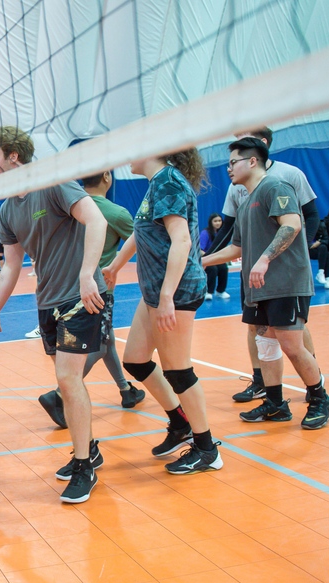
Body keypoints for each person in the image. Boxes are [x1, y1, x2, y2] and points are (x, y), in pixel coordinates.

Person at [0, 126, 109, 504]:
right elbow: (10, 267)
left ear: (13, 156)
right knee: (66, 382)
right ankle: (90, 448)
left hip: (79, 297)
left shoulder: (54, 184)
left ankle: (84, 467)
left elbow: (96, 221)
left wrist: (88, 275)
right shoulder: (7, 210)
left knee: (68, 380)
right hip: (47, 301)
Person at [104, 149, 224, 474]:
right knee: (135, 360)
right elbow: (140, 232)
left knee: (178, 369)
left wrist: (169, 295)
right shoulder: (157, 182)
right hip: (157, 290)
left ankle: (207, 449)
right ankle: (179, 422)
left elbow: (182, 240)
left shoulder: (169, 182)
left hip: (176, 289)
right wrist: (114, 266)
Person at [202, 137, 329, 430]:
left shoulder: (275, 187)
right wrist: (202, 261)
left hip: (286, 282)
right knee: (265, 343)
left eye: (233, 162)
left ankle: (320, 398)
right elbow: (236, 248)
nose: (228, 169)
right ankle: (275, 403)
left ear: (252, 161)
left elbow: (292, 224)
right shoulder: (245, 199)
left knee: (292, 345)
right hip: (259, 288)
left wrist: (263, 259)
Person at [80, 170, 146, 409]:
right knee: (101, 344)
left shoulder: (70, 207)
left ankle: (125, 389)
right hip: (98, 289)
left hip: (68, 286)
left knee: (107, 339)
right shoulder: (115, 213)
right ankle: (60, 393)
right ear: (107, 176)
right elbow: (142, 240)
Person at [201, 214, 230, 300]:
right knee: (213, 269)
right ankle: (208, 292)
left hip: (216, 259)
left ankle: (220, 291)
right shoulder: (205, 233)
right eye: (215, 221)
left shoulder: (222, 233)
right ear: (211, 222)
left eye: (219, 221)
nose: (218, 223)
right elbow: (200, 250)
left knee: (224, 268)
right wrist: (208, 257)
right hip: (206, 259)